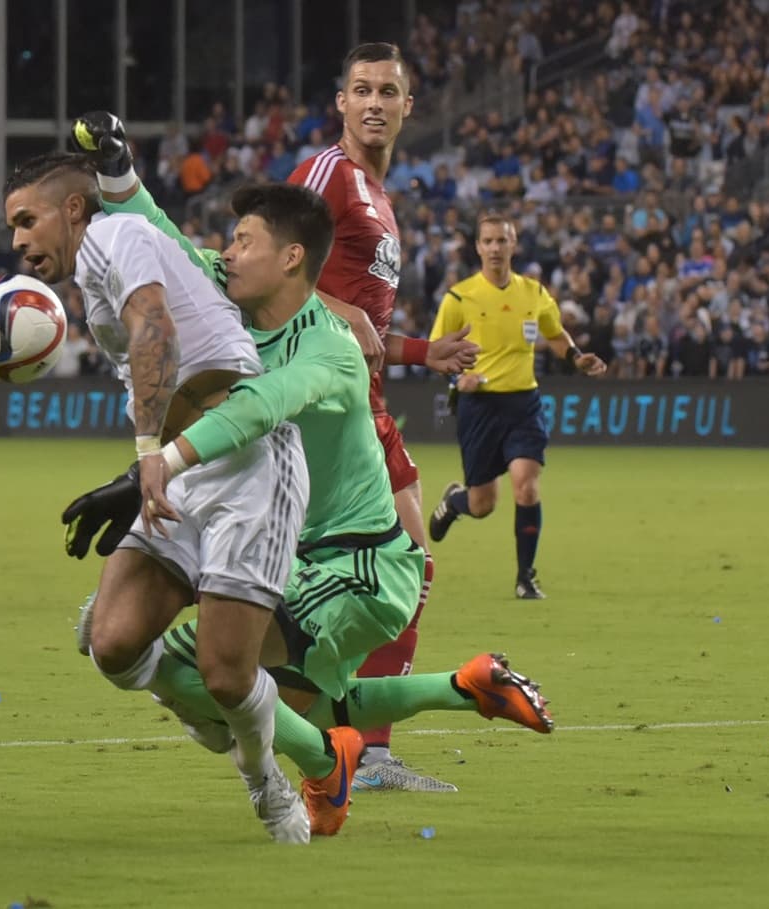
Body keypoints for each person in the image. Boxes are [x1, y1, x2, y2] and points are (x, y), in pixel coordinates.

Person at [70, 179, 551, 837]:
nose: (228, 254)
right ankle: (466, 685)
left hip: (360, 567)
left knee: (207, 676)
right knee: (292, 699)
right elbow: (168, 244)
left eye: (244, 241)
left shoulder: (327, 349)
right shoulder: (237, 295)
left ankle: (329, 760)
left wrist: (153, 463)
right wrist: (121, 179)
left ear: (291, 258)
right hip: (296, 560)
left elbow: (256, 407)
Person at [5, 152, 312, 844]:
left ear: (74, 209)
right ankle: (196, 703)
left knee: (229, 674)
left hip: (248, 460)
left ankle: (263, 776)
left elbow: (157, 331)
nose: (19, 241)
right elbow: (153, 363)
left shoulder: (118, 237)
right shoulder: (90, 271)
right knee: (109, 642)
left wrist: (146, 455)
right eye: (12, 228)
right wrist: (140, 468)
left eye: (28, 220)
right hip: (180, 469)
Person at [287, 42, 463, 790]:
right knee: (363, 574)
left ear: (406, 107)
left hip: (366, 402)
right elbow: (256, 270)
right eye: (360, 88)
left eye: (387, 91)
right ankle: (322, 738)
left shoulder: (379, 196)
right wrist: (338, 312)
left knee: (407, 567)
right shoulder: (327, 173)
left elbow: (365, 323)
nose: (374, 103)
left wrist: (424, 351)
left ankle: (362, 750)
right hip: (323, 404)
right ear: (341, 102)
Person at [428, 211, 607, 598]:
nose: (495, 248)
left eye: (502, 240)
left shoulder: (534, 293)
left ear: (514, 245)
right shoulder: (459, 297)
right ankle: (454, 503)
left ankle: (526, 578)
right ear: (478, 247)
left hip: (524, 402)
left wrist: (577, 357)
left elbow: (555, 334)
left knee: (526, 487)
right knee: (482, 504)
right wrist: (459, 379)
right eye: (488, 241)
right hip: (479, 407)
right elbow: (435, 352)